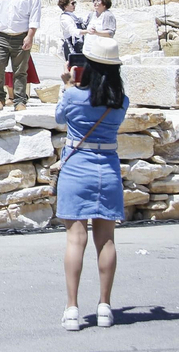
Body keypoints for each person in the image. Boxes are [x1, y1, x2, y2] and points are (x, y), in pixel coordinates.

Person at [55, 38, 129, 331]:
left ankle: (72, 308)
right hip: (107, 169)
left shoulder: (73, 95)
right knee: (106, 240)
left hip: (76, 168)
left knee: (76, 239)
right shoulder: (121, 101)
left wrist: (66, 86)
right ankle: (105, 307)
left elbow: (59, 117)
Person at [58, 0, 87, 65]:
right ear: (65, 6)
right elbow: (73, 31)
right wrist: (87, 31)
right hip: (71, 46)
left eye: (75, 3)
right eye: (72, 3)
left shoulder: (73, 17)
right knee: (73, 67)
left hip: (79, 45)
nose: (74, 5)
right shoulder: (65, 18)